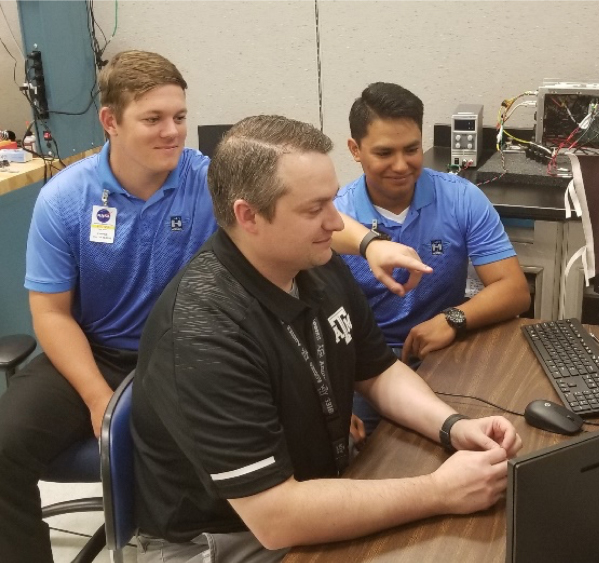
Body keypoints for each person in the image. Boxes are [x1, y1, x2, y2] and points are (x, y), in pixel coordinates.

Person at [0, 51, 428, 563]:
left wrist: (371, 245)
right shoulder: (64, 199)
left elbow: (304, 209)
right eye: (153, 119)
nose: (172, 132)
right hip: (98, 350)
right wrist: (99, 399)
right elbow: (50, 314)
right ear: (110, 122)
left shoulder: (207, 179)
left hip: (201, 347)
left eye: (180, 117)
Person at [131, 115, 522, 562]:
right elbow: (276, 517)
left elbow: (378, 371)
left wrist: (453, 426)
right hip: (230, 537)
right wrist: (439, 491)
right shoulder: (203, 331)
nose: (337, 224)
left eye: (333, 202)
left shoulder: (312, 262)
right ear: (248, 215)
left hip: (310, 494)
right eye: (314, 209)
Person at [336, 82, 530, 432]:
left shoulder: (461, 198)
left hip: (446, 350)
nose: (401, 165)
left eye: (411, 149)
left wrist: (453, 318)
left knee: (488, 436)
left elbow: (514, 289)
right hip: (364, 366)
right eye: (384, 153)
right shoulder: (336, 216)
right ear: (355, 149)